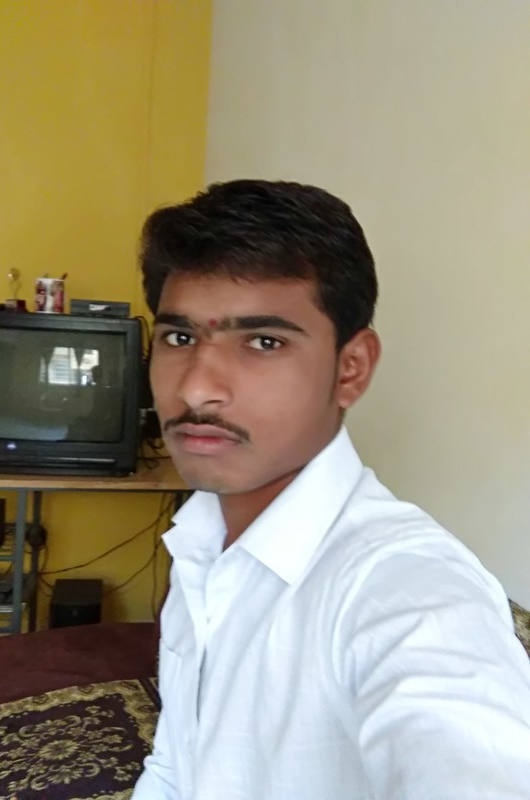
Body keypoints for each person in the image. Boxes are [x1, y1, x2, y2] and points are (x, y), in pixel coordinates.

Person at [133, 179, 530, 800]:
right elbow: (174, 767)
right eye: (180, 338)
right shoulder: (203, 540)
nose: (195, 389)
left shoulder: (407, 587)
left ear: (351, 368)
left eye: (264, 342)